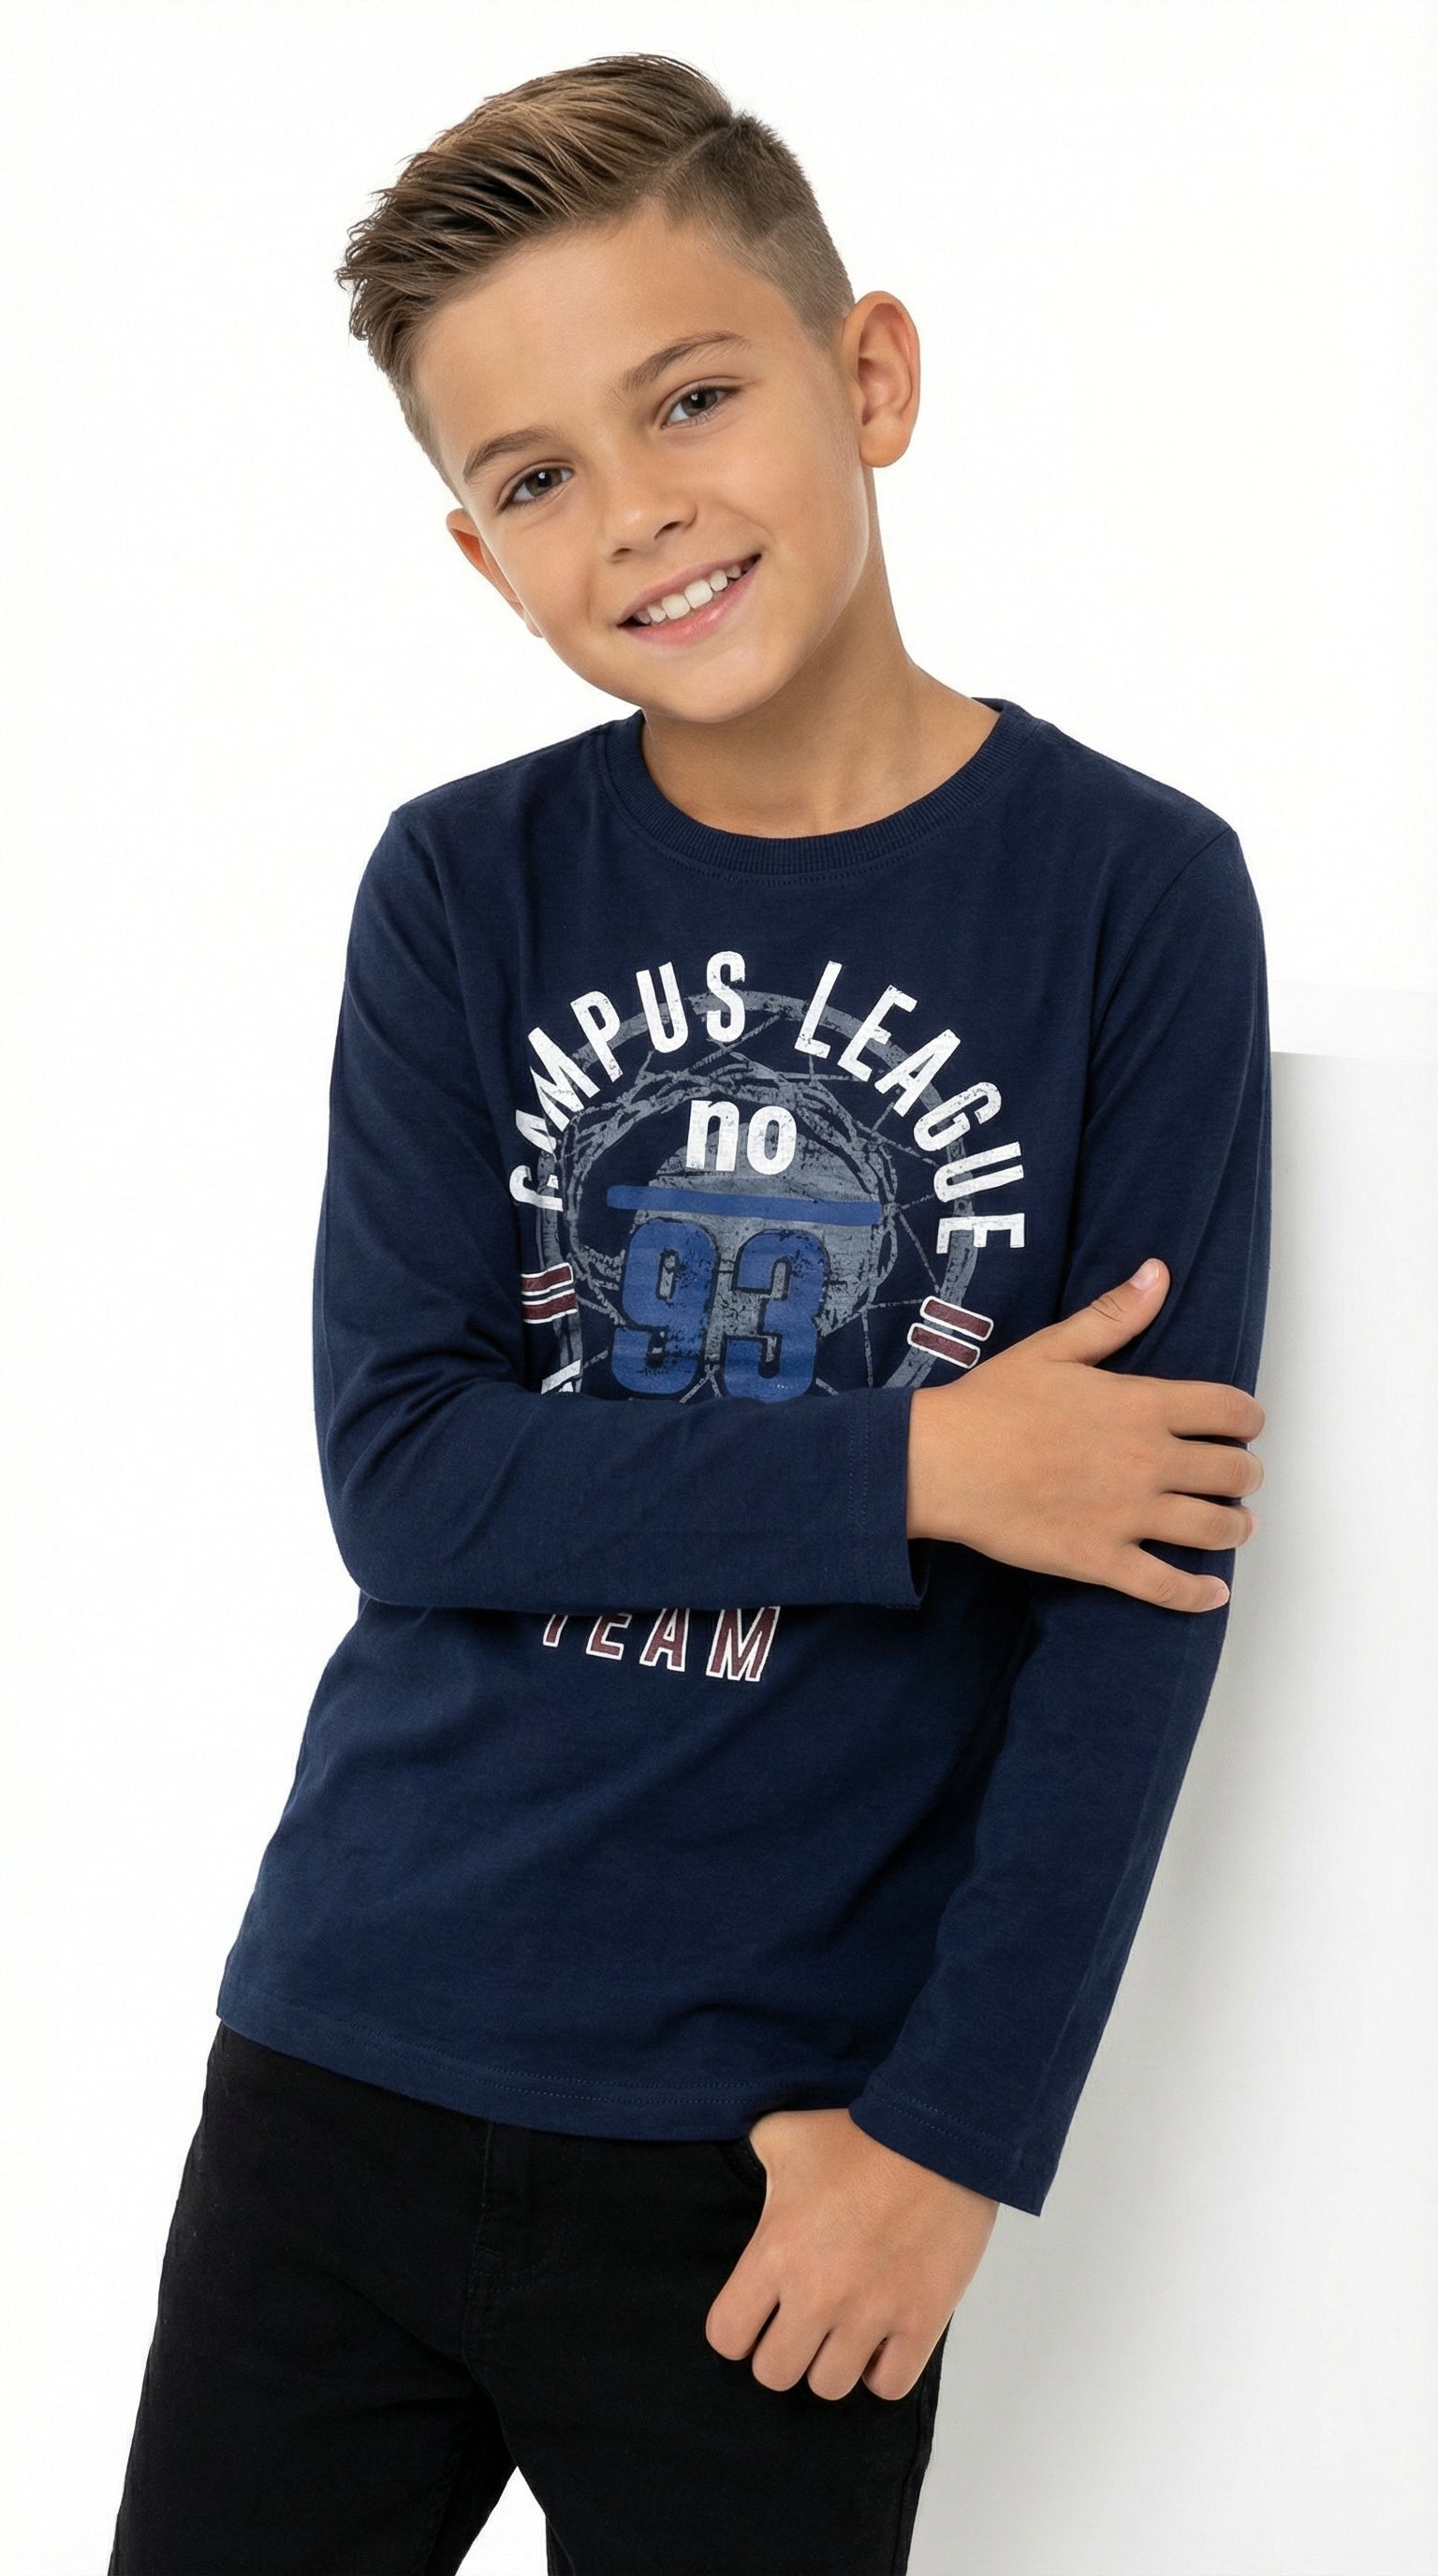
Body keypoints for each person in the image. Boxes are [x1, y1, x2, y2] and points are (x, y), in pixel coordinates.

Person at [107, 49, 1270, 2576]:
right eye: (535, 477)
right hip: (343, 2063)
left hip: (780, 2165)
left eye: (693, 399)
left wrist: (954, 2144)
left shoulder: (1133, 899)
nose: (635, 509)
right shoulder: (460, 889)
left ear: (871, 375)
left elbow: (1142, 1579)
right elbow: (408, 1476)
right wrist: (926, 1467)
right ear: (479, 555)